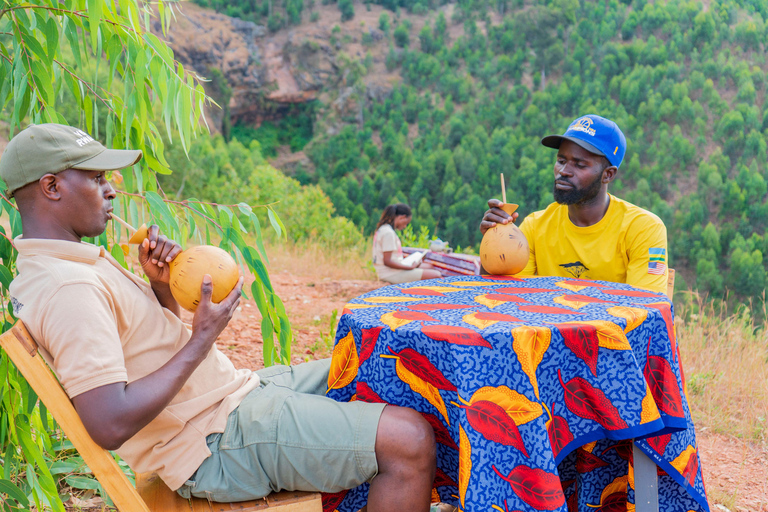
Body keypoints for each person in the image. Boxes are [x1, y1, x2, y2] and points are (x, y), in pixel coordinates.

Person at [2, 124, 436, 510]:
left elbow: (142, 346)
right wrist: (201, 338)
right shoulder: (68, 288)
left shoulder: (69, 264)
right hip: (213, 442)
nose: (111, 189)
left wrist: (160, 289)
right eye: (97, 178)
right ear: (52, 187)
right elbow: (109, 422)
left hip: (230, 398)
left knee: (384, 369)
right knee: (409, 442)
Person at [480, 114, 668, 294]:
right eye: (561, 160)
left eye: (579, 165)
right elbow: (503, 297)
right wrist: (494, 241)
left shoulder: (644, 229)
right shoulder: (536, 226)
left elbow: (646, 309)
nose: (564, 171)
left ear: (608, 174)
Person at [372, 203, 441, 283]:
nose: (405, 226)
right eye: (406, 223)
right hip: (390, 273)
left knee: (429, 266)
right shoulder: (388, 233)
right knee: (436, 275)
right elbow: (387, 261)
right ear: (402, 217)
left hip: (390, 270)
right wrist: (409, 267)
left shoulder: (384, 229)